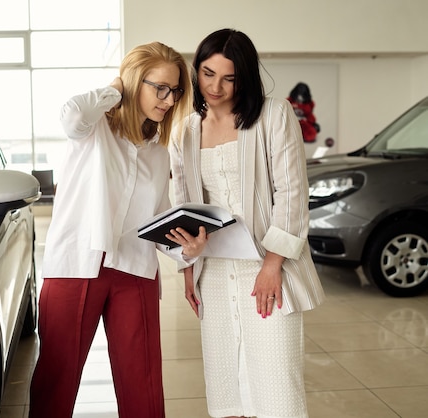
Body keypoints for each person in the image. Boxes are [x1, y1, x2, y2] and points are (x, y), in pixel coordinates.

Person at [29, 41, 206, 418]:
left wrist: (186, 250)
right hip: (75, 267)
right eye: (159, 87)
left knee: (143, 382)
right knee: (56, 380)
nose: (169, 98)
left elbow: (157, 220)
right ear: (133, 82)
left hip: (134, 271)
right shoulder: (93, 130)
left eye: (175, 90)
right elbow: (71, 114)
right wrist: (116, 88)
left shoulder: (159, 152)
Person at [169, 29, 326, 418]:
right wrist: (188, 266)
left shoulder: (273, 115)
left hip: (268, 265)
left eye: (228, 77)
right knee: (227, 391)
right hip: (215, 272)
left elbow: (292, 193)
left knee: (277, 387)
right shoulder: (185, 130)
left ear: (246, 77)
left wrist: (272, 266)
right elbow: (182, 202)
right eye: (207, 74)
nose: (215, 87)